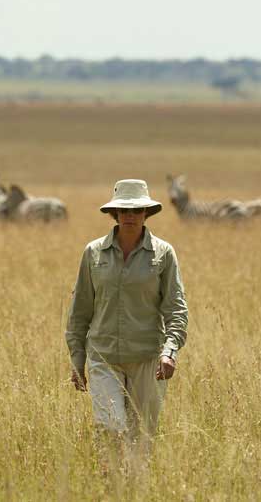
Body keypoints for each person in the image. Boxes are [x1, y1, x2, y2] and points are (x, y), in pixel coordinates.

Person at [65, 179, 188, 475]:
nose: (129, 216)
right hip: (103, 357)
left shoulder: (163, 254)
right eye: (123, 210)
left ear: (146, 213)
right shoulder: (93, 253)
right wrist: (77, 359)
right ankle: (109, 490)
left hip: (148, 358)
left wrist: (169, 352)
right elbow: (79, 311)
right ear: (114, 214)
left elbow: (176, 310)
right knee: (109, 429)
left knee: (141, 442)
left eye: (136, 210)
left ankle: (134, 490)